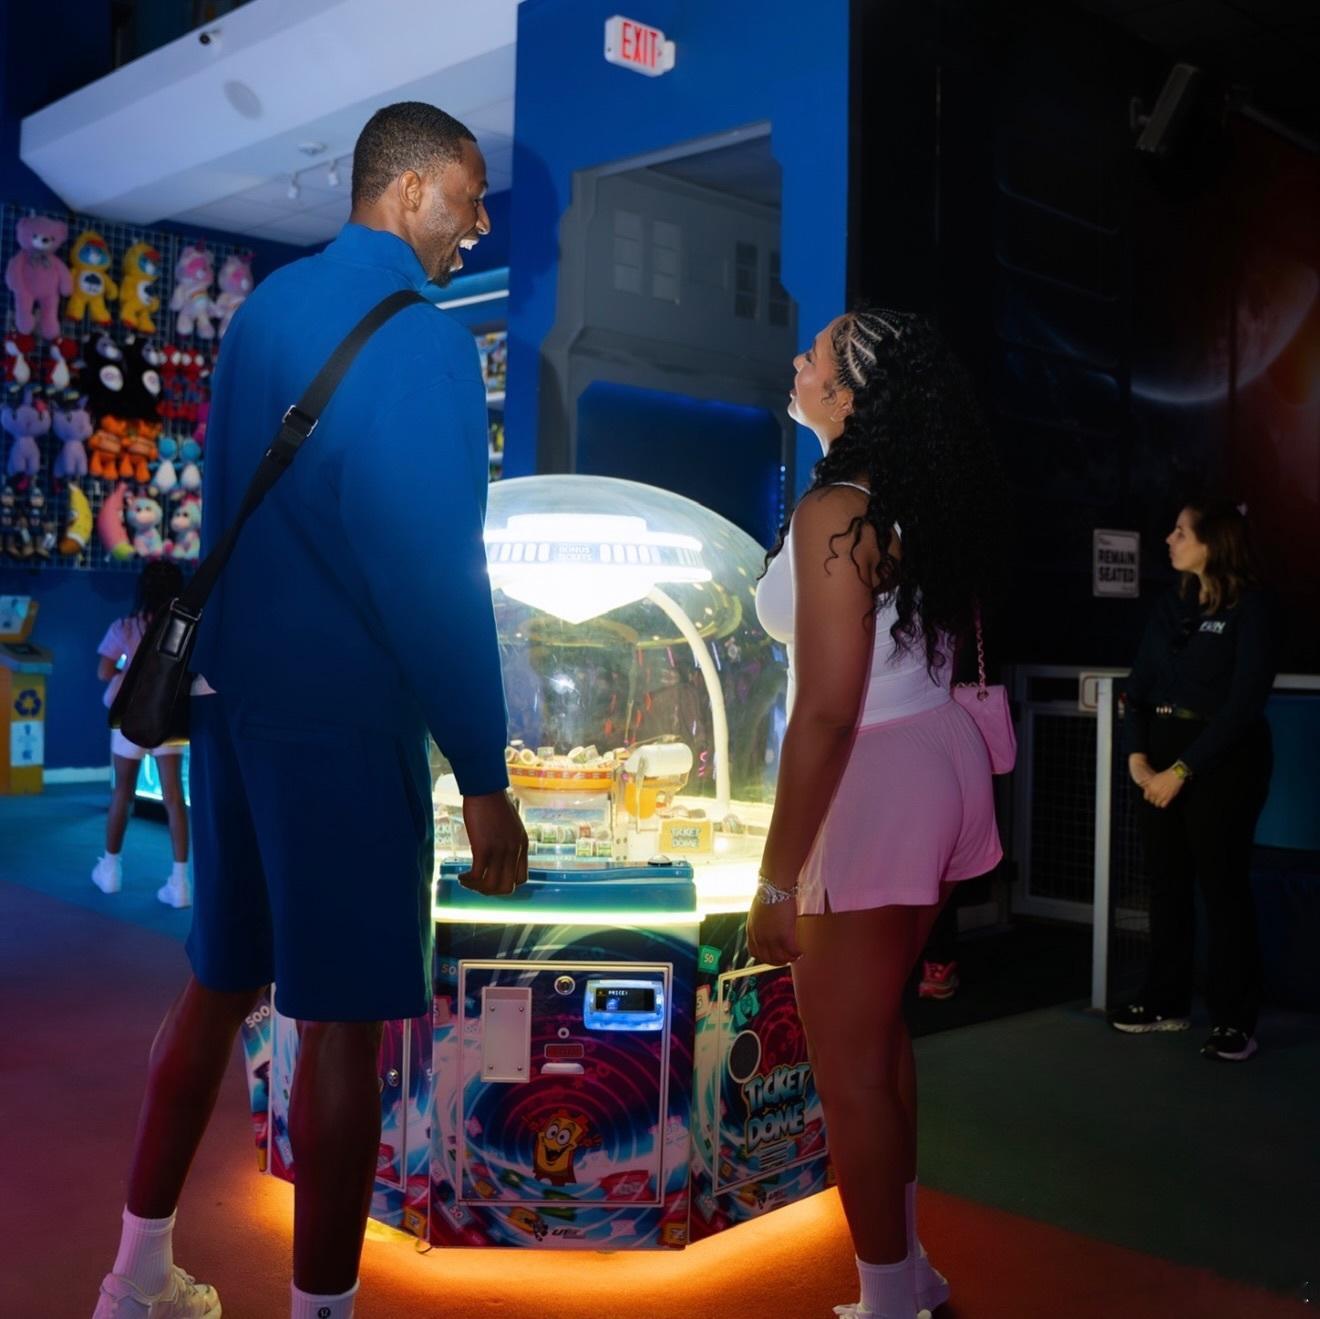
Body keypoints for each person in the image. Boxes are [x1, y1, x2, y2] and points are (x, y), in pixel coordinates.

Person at [92, 103, 527, 1319]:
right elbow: (433, 576)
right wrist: (483, 772)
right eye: (467, 202)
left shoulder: (265, 309)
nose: (476, 228)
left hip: (234, 705)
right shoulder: (427, 342)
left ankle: (134, 1275)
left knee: (216, 982)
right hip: (346, 724)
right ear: (409, 191)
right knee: (340, 1027)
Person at [747, 310, 1007, 1319]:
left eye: (813, 354)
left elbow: (826, 709)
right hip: (936, 763)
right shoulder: (910, 497)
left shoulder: (838, 510)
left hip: (874, 779)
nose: (797, 360)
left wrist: (776, 880)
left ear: (847, 395)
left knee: (848, 1066)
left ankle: (889, 1300)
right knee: (880, 1038)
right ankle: (907, 1275)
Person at [1109, 498, 1277, 1062]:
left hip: (1222, 763)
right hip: (1157, 758)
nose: (1169, 539)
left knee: (1223, 889)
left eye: (1180, 532)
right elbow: (1138, 687)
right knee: (1167, 884)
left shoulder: (1253, 607)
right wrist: (1138, 761)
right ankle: (1165, 1002)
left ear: (1214, 541)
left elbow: (1244, 704)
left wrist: (1182, 771)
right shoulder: (1171, 603)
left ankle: (1234, 1022)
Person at [92, 560, 192, 908]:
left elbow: (104, 671)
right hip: (169, 718)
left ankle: (110, 870)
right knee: (174, 797)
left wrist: (127, 666)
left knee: (123, 792)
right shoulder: (183, 628)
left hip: (130, 718)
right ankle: (180, 883)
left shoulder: (125, 626)